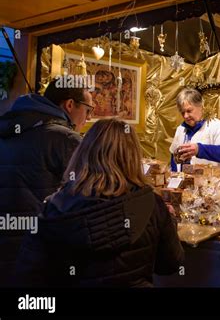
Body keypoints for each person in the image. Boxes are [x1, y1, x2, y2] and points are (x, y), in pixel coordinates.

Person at [15, 118, 184, 287]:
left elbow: (30, 274)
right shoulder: (153, 204)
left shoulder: (56, 207)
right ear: (133, 156)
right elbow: (168, 265)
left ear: (83, 152)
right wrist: (170, 221)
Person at [0, 78, 93, 286]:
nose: (88, 118)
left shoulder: (10, 126)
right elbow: (88, 198)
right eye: (88, 110)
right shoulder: (67, 140)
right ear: (70, 105)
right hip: (38, 250)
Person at [170, 88, 220, 171]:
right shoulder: (181, 129)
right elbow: (173, 155)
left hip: (210, 182)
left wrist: (199, 149)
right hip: (185, 181)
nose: (185, 116)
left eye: (189, 111)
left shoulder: (217, 126)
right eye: (182, 112)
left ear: (200, 106)